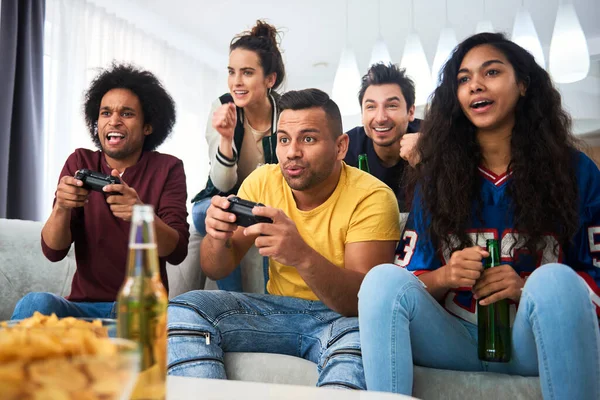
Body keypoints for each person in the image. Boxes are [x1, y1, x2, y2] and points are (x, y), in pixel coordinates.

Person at [358, 32, 600, 398]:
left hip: (532, 338)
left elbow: (593, 280)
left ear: (522, 83)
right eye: (464, 79)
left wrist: (525, 287)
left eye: (491, 72)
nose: (475, 86)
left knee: (553, 281)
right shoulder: (438, 173)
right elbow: (408, 281)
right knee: (380, 281)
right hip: (453, 338)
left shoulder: (575, 170)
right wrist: (446, 275)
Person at [167, 89, 400, 389]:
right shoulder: (264, 180)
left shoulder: (373, 196)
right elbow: (217, 269)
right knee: (184, 309)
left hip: (342, 320)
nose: (292, 152)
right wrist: (218, 236)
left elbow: (360, 303)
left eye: (308, 139)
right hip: (275, 310)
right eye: (284, 139)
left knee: (365, 341)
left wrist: (301, 255)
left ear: (341, 146)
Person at [11, 64, 190, 320]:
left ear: (148, 126)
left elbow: (177, 251)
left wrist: (141, 215)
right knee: (35, 303)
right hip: (83, 309)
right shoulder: (79, 161)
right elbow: (53, 251)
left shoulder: (168, 168)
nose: (114, 120)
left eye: (127, 113)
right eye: (106, 112)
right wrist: (62, 207)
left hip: (140, 311)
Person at [189, 20, 285, 292]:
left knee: (269, 220)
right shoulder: (222, 107)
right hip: (220, 201)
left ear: (270, 79)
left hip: (266, 204)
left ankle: (273, 299)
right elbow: (221, 183)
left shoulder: (287, 114)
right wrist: (226, 137)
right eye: (231, 72)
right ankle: (232, 301)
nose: (236, 82)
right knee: (220, 211)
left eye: (247, 73)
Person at [344, 63, 421, 211]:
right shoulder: (346, 148)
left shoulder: (433, 138)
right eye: (371, 107)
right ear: (362, 115)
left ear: (410, 112)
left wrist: (427, 159)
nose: (380, 118)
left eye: (391, 106)